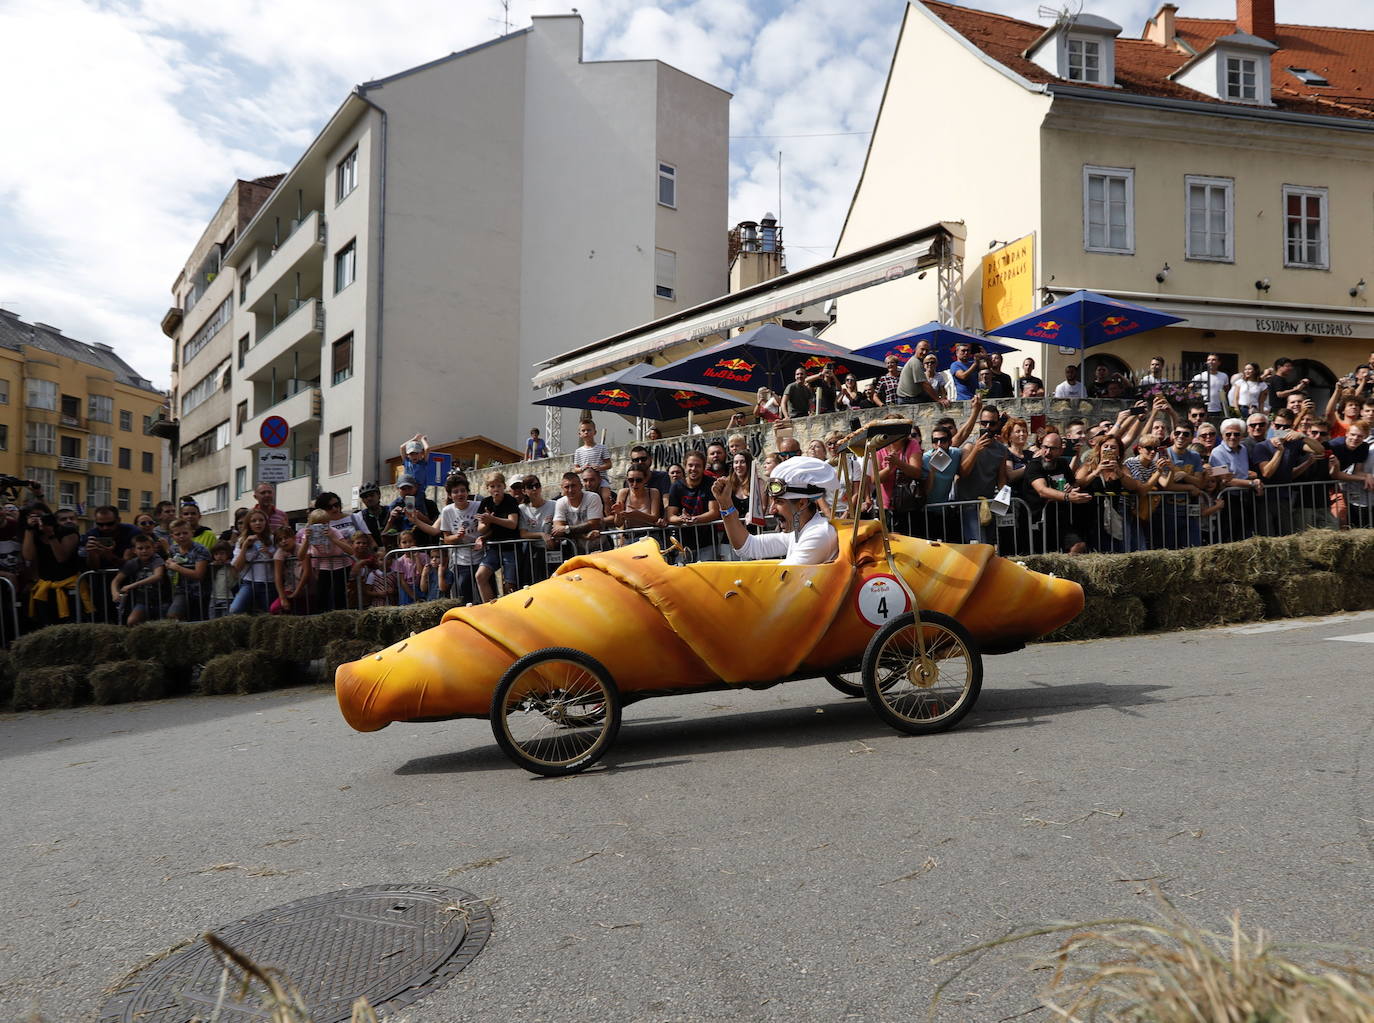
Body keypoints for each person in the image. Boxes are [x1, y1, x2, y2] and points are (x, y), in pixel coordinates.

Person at [711, 456, 838, 565]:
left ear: (802, 503)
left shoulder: (817, 534)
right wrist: (725, 504)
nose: (771, 510)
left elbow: (782, 581)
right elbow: (747, 547)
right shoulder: (801, 532)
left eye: (779, 502)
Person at [1025, 433, 1092, 554]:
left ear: (1061, 450)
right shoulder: (1034, 465)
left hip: (1059, 517)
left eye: (1053, 448)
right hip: (1038, 519)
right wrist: (1067, 496)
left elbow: (1074, 483)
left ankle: (1067, 570)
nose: (1047, 452)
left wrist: (1071, 488)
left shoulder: (1062, 464)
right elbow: (1042, 490)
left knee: (1078, 546)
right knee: (1044, 556)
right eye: (1045, 447)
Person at [24, 502, 82, 626]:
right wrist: (29, 529)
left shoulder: (68, 532)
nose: (39, 520)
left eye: (42, 517)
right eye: (34, 517)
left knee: (70, 625)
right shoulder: (34, 533)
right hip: (45, 586)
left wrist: (50, 535)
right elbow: (28, 556)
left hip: (69, 585)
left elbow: (61, 558)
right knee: (46, 625)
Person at [474, 471, 522, 599]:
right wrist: (487, 523)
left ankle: (511, 611)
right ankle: (490, 607)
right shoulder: (485, 503)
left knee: (509, 585)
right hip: (494, 548)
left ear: (504, 486)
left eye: (499, 486)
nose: (496, 489)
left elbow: (513, 523)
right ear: (488, 488)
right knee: (480, 576)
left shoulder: (510, 500)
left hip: (511, 548)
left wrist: (492, 519)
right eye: (492, 486)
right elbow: (481, 528)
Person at [666, 450, 720, 559]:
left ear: (704, 467)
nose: (693, 469)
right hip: (683, 545)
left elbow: (714, 512)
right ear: (685, 467)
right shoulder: (676, 486)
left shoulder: (710, 483)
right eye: (690, 465)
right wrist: (682, 519)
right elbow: (670, 516)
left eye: (698, 466)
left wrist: (694, 519)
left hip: (707, 543)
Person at [110, 534, 166, 626]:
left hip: (162, 600)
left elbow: (158, 576)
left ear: (154, 548)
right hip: (143, 602)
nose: (144, 551)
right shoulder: (133, 563)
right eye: (140, 548)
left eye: (148, 547)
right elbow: (115, 581)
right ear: (134, 550)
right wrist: (114, 593)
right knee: (132, 621)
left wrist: (132, 585)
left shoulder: (156, 559)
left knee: (163, 624)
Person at [164, 517, 211, 621]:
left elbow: (199, 575)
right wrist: (169, 564)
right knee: (173, 614)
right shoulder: (173, 549)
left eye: (185, 533)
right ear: (172, 536)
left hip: (200, 592)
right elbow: (169, 564)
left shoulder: (200, 550)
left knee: (198, 622)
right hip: (182, 590)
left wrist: (176, 567)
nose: (182, 536)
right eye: (177, 534)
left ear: (192, 533)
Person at [230, 510, 277, 614]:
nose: (258, 523)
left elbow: (281, 561)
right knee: (235, 609)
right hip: (249, 583)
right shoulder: (242, 540)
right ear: (249, 524)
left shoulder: (273, 538)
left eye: (261, 520)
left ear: (266, 522)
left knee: (269, 613)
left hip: (268, 583)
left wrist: (269, 553)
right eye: (253, 521)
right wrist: (245, 546)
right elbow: (237, 567)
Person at [516, 474, 558, 583]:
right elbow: (523, 533)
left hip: (554, 549)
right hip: (535, 551)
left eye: (537, 485)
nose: (535, 489)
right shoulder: (522, 509)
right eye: (530, 486)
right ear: (524, 491)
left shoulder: (554, 505)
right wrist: (542, 535)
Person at [551, 471, 604, 557]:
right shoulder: (560, 502)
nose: (570, 490)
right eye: (567, 487)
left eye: (573, 486)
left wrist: (566, 529)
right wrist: (583, 535)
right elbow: (558, 530)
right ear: (562, 488)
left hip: (599, 546)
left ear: (581, 486)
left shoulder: (592, 497)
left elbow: (594, 524)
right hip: (576, 549)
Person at [385, 475, 441, 543]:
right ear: (398, 489)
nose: (407, 491)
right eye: (403, 489)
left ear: (416, 487)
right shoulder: (394, 506)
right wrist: (391, 519)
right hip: (403, 547)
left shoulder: (429, 504)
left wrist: (422, 518)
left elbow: (436, 529)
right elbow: (385, 533)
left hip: (424, 544)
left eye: (409, 488)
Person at [271, 524, 308, 615]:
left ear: (294, 538)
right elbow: (278, 576)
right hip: (290, 588)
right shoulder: (279, 553)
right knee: (275, 608)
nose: (283, 541)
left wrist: (297, 592)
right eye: (280, 540)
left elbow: (307, 572)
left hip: (306, 587)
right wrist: (283, 598)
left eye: (286, 538)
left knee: (304, 612)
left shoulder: (301, 548)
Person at [572, 419, 612, 489]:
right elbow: (576, 469)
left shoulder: (602, 448)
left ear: (595, 432)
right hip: (585, 482)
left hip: (601, 480)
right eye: (583, 430)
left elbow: (609, 464)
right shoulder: (578, 451)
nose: (586, 432)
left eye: (589, 430)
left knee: (606, 497)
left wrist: (599, 468)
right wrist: (582, 468)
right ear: (579, 434)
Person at [206, 543, 238, 618]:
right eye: (216, 554)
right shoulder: (212, 566)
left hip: (228, 597)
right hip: (214, 597)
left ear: (228, 554)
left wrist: (230, 565)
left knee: (226, 620)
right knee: (213, 619)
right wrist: (213, 566)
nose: (219, 556)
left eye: (222, 554)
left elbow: (235, 577)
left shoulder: (231, 566)